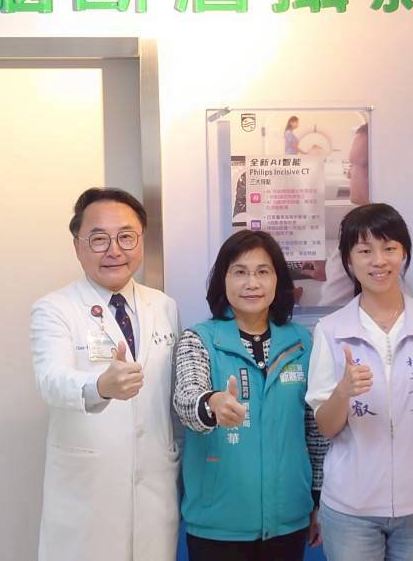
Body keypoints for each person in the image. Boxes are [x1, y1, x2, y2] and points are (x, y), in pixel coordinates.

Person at [306, 203, 413, 561]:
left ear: (403, 252)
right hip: (350, 508)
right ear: (349, 261)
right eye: (365, 251)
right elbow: (326, 427)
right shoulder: (331, 330)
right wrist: (343, 392)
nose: (379, 261)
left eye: (389, 248)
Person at [30, 187, 180, 561]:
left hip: (155, 489)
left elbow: (170, 399)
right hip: (88, 493)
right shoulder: (55, 308)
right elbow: (51, 380)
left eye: (126, 237)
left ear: (141, 240)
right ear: (78, 246)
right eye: (99, 239)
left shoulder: (164, 306)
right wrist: (100, 386)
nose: (114, 250)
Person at [174, 229, 327, 560]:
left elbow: (314, 430)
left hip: (289, 517)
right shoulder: (199, 339)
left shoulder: (302, 341)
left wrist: (317, 497)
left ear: (277, 280)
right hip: (217, 523)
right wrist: (212, 403)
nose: (252, 283)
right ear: (223, 280)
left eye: (262, 271)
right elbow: (187, 400)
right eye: (240, 272)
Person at [316, 123, 370, 306]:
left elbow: (329, 312)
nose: (348, 175)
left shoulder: (360, 238)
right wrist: (330, 270)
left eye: (353, 164)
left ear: (373, 169)